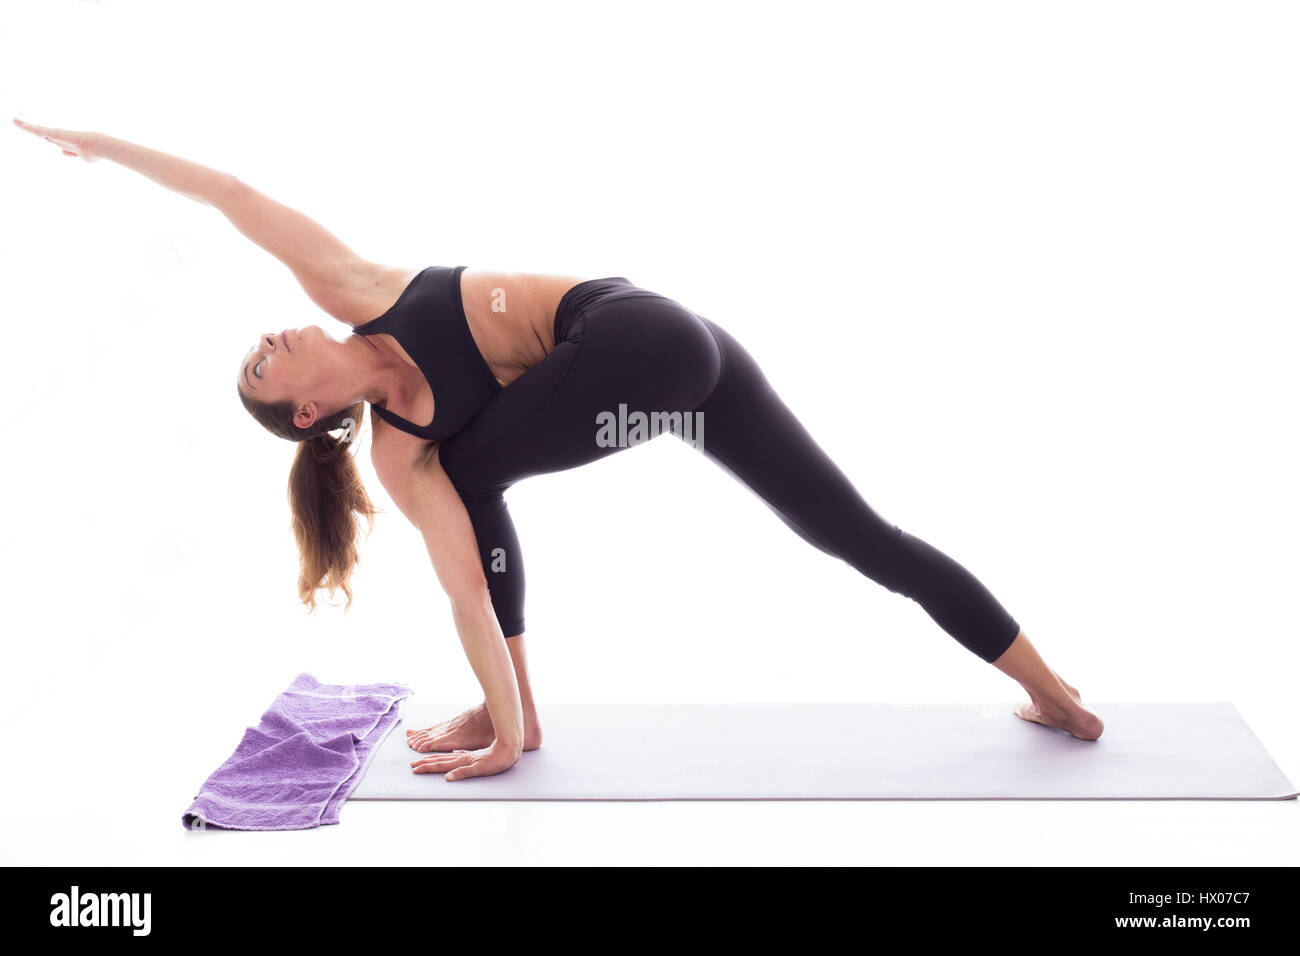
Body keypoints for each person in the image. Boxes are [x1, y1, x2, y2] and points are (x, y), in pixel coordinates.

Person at [14, 119, 1105, 783]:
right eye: (261, 369)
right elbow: (464, 596)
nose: (267, 340)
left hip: (654, 336)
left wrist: (102, 148)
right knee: (857, 538)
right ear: (307, 417)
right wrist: (499, 694)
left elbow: (235, 198)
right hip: (672, 392)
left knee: (471, 470)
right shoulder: (401, 458)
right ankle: (1056, 695)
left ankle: (515, 717)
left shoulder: (355, 294)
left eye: (258, 345)